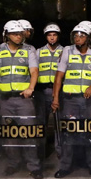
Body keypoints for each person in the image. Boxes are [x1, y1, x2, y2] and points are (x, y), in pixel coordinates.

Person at [52, 21, 91, 179]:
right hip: (70, 101)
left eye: (81, 36)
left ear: (89, 37)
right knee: (69, 134)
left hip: (90, 101)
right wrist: (55, 98)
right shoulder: (67, 52)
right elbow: (59, 78)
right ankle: (65, 166)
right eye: (75, 35)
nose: (78, 38)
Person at [0, 20, 41, 177]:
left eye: (20, 34)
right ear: (7, 35)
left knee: (29, 133)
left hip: (24, 100)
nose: (19, 36)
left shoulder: (28, 51)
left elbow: (34, 72)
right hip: (5, 101)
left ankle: (34, 166)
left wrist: (31, 88)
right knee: (9, 134)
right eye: (15, 34)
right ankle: (13, 163)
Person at [36, 23, 63, 158]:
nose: (52, 38)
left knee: (59, 123)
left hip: (59, 91)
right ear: (46, 37)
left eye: (54, 35)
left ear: (58, 36)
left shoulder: (65, 51)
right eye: (49, 35)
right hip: (42, 91)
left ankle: (60, 151)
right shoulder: (39, 51)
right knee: (42, 122)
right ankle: (41, 150)